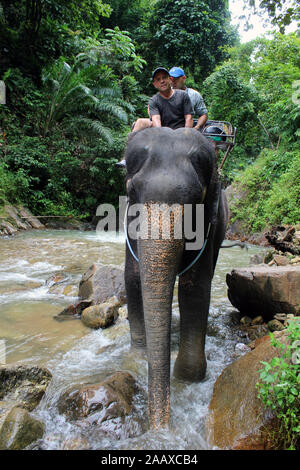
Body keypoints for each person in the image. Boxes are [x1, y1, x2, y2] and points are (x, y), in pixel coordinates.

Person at [116, 67, 193, 167]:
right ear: (155, 84)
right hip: (163, 132)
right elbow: (157, 123)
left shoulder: (183, 96)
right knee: (139, 121)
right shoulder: (154, 100)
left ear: (170, 79)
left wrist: (185, 137)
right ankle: (127, 157)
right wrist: (163, 140)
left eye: (164, 77)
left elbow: (189, 118)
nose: (162, 81)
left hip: (181, 131)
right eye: (158, 79)